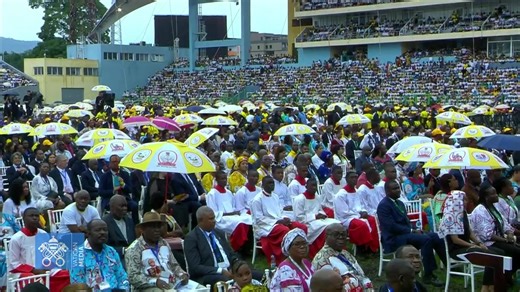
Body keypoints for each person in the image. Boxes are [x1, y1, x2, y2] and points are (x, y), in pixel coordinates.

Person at [377, 180, 445, 286]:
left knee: (435, 236)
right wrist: (412, 231)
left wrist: (416, 230)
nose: (398, 190)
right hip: (393, 238)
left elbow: (407, 221)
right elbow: (391, 227)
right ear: (387, 191)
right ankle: (428, 274)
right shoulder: (383, 205)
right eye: (394, 188)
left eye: (398, 187)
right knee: (426, 240)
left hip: (405, 235)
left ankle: (448, 264)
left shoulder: (399, 203)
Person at [440, 191, 503, 292]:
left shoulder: (463, 213)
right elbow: (455, 240)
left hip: (467, 246)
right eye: (464, 199)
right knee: (492, 256)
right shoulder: (450, 216)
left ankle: (491, 285)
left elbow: (469, 232)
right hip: (457, 250)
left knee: (499, 253)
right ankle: (486, 287)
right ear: (457, 201)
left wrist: (479, 243)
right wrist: (473, 246)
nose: (466, 201)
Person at [125, 212, 195, 290]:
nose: (157, 230)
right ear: (143, 229)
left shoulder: (164, 243)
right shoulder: (134, 248)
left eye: (158, 227)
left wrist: (182, 274)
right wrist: (155, 282)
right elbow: (133, 276)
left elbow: (174, 265)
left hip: (171, 282)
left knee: (201, 289)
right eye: (153, 227)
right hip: (149, 287)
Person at [8, 208, 70, 292]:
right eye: (31, 216)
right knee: (33, 281)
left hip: (44, 270)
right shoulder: (16, 238)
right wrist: (33, 270)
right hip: (26, 272)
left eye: (36, 216)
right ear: (24, 218)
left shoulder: (43, 234)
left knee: (67, 275)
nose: (34, 218)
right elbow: (14, 263)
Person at [251, 176, 308, 265]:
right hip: (265, 226)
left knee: (301, 227)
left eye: (272, 183)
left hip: (278, 221)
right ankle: (288, 255)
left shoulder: (275, 196)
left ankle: (301, 252)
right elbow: (259, 219)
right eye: (269, 183)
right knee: (285, 231)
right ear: (263, 185)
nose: (271, 185)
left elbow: (280, 211)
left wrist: (285, 218)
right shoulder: (257, 200)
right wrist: (277, 222)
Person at [470, 184, 520, 285]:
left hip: (498, 238)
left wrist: (509, 233)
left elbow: (504, 223)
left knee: (516, 248)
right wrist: (506, 240)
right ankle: (504, 278)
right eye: (494, 194)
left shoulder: (493, 207)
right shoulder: (480, 210)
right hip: (487, 242)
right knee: (516, 251)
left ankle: (506, 276)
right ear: (486, 197)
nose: (497, 195)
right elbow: (487, 234)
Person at [183, 206, 240, 285]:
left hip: (230, 270)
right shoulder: (191, 238)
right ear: (200, 221)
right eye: (211, 219)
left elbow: (231, 254)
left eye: (214, 218)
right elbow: (195, 267)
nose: (214, 221)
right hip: (208, 275)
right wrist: (220, 271)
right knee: (228, 281)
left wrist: (236, 265)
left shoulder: (219, 233)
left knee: (256, 275)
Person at [69, 219, 128, 290]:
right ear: (88, 233)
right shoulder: (77, 255)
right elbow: (78, 286)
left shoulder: (111, 251)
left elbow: (122, 276)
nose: (102, 232)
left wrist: (123, 290)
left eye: (105, 230)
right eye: (98, 230)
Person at [312, 223, 373, 291]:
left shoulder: (345, 253)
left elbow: (362, 275)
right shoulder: (322, 260)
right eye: (336, 234)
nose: (341, 237)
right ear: (326, 237)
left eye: (343, 234)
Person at [293, 178, 340, 259]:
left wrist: (322, 214)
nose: (314, 188)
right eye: (312, 185)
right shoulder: (300, 199)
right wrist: (315, 216)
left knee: (336, 223)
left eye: (315, 186)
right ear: (306, 186)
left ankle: (336, 248)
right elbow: (299, 217)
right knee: (326, 227)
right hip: (308, 223)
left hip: (318, 220)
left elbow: (320, 210)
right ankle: (322, 250)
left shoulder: (317, 197)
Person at [206, 171, 252, 251]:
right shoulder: (212, 194)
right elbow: (213, 213)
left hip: (232, 217)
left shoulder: (229, 192)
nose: (224, 180)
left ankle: (248, 245)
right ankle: (237, 246)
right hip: (221, 219)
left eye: (225, 178)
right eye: (222, 179)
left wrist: (236, 212)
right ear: (216, 180)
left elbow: (233, 207)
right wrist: (231, 213)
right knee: (240, 223)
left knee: (249, 218)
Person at [334, 171, 379, 253]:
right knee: (360, 224)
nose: (354, 179)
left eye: (355, 177)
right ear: (347, 179)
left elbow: (362, 205)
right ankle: (362, 248)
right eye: (352, 177)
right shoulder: (341, 195)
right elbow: (343, 212)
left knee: (372, 220)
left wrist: (364, 211)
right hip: (346, 218)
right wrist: (359, 214)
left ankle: (372, 246)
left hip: (358, 215)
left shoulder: (357, 191)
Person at [99, 155, 138, 223]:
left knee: (134, 206)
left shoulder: (125, 174)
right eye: (113, 162)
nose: (116, 163)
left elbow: (130, 190)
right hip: (110, 199)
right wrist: (113, 191)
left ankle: (135, 226)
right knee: (117, 206)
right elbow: (101, 192)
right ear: (109, 164)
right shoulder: (104, 176)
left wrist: (123, 185)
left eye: (118, 162)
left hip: (124, 199)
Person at [102, 195, 136, 261]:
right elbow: (103, 247)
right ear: (112, 207)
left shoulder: (129, 220)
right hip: (114, 258)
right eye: (122, 206)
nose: (125, 208)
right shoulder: (104, 223)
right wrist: (123, 250)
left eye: (126, 206)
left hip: (132, 257)